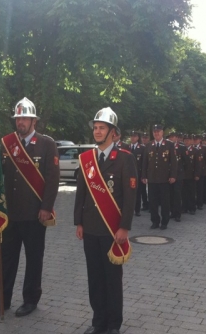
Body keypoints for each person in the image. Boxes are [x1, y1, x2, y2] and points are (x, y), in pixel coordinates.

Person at [0, 97, 60, 316]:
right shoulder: (7, 143)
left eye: (24, 118)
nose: (20, 122)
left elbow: (52, 180)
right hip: (10, 214)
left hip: (35, 214)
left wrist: (46, 207)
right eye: (18, 118)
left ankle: (30, 299)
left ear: (34, 120)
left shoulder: (47, 144)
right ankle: (1, 299)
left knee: (34, 259)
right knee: (7, 258)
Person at [74, 107, 137, 334]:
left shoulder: (124, 159)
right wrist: (78, 222)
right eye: (96, 128)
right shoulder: (87, 159)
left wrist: (125, 227)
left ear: (113, 132)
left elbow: (130, 198)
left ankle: (113, 324)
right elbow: (81, 193)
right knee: (95, 278)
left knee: (112, 280)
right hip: (90, 229)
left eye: (102, 128)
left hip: (112, 230)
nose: (97, 132)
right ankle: (98, 321)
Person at [141, 124, 177, 230]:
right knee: (152, 201)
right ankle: (155, 221)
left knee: (165, 201)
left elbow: (174, 162)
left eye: (158, 131)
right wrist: (144, 175)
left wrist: (173, 175)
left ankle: (164, 222)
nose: (156, 133)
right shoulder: (149, 145)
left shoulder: (169, 144)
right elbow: (145, 162)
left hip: (164, 178)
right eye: (155, 132)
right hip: (152, 179)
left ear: (162, 133)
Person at [129, 130, 144, 216]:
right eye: (131, 136)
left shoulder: (142, 148)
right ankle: (129, 209)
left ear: (138, 138)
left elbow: (144, 162)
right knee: (128, 192)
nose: (133, 138)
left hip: (138, 173)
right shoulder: (127, 147)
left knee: (138, 193)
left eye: (134, 136)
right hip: (128, 174)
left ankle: (137, 209)